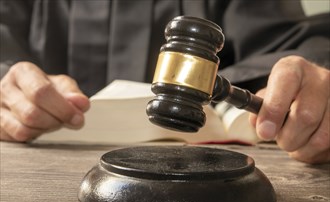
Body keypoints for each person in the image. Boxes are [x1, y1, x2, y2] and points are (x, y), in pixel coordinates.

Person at [0, 0, 329, 164]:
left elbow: (296, 44)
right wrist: (8, 81)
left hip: (202, 168)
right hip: (41, 163)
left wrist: (315, 83)